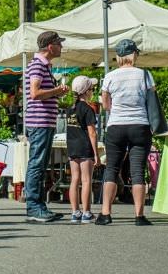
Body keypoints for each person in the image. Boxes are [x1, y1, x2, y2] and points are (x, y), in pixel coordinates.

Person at [96, 39, 153, 226]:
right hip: (140, 125)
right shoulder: (145, 75)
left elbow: (105, 105)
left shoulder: (110, 76)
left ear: (119, 56)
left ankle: (105, 213)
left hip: (116, 126)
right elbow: (151, 101)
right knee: (138, 171)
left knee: (112, 169)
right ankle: (139, 215)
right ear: (134, 54)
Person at [25, 31, 69, 223]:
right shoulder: (38, 66)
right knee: (37, 164)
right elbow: (35, 93)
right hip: (39, 122)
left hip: (43, 122)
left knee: (40, 165)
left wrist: (55, 94)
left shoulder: (43, 66)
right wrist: (57, 90)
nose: (61, 47)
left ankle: (39, 206)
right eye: (59, 44)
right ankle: (34, 207)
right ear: (50, 46)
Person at [67, 75, 100, 224]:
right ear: (86, 92)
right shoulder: (88, 109)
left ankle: (75, 212)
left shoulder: (70, 109)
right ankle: (86, 213)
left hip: (72, 147)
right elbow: (92, 133)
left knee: (74, 180)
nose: (93, 92)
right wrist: (96, 153)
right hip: (85, 147)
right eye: (92, 89)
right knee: (86, 180)